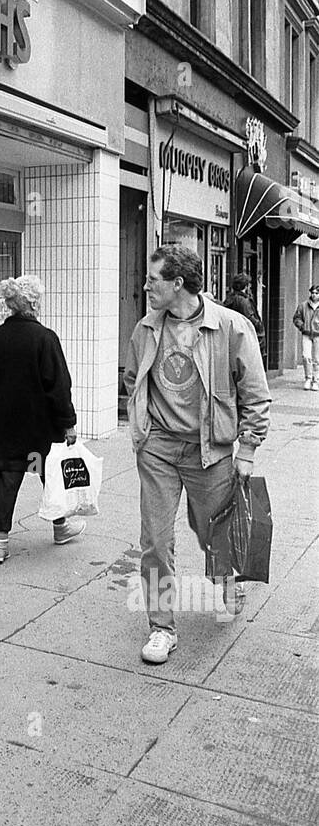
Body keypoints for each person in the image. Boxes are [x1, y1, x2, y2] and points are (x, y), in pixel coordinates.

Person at [123, 245, 271, 665]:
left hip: (211, 450)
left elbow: (256, 395)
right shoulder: (146, 328)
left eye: (153, 279)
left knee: (214, 534)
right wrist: (143, 427)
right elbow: (134, 379)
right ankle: (161, 628)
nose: (146, 286)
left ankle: (227, 580)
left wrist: (247, 449)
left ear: (178, 283)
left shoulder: (230, 327)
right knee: (155, 540)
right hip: (159, 449)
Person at [0, 275, 85, 564]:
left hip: (7, 424)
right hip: (39, 428)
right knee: (48, 475)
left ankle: (0, 543)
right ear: (32, 304)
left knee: (8, 477)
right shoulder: (45, 338)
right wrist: (68, 423)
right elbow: (59, 386)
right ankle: (61, 527)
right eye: (38, 299)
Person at [223, 273, 266, 369]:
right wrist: (259, 325)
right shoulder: (244, 301)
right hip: (246, 338)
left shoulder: (229, 299)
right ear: (245, 286)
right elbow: (250, 319)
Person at [293, 282, 319, 390]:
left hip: (318, 335)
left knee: (317, 358)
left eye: (316, 293)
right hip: (307, 333)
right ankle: (308, 378)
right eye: (313, 293)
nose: (314, 295)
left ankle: (316, 380)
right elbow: (296, 318)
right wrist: (302, 327)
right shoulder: (303, 305)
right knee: (306, 356)